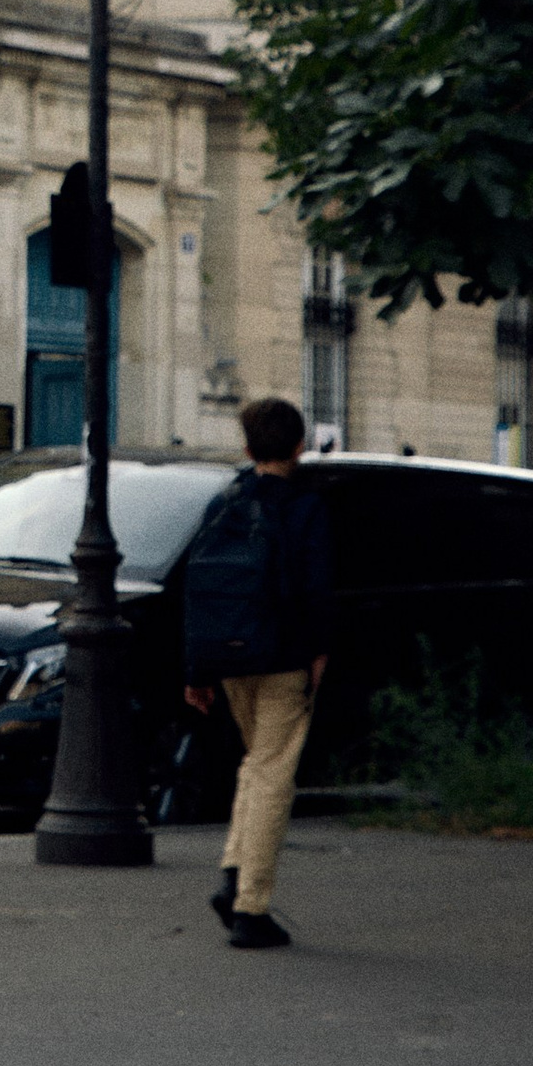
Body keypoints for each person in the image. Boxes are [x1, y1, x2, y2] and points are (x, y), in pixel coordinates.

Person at [183, 393, 332, 951]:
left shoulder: (222, 503)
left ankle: (233, 871)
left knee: (255, 765)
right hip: (283, 658)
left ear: (246, 448)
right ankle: (250, 905)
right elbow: (316, 592)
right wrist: (319, 656)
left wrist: (196, 670)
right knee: (273, 774)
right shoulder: (306, 508)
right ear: (299, 446)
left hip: (228, 658)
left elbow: (197, 591)